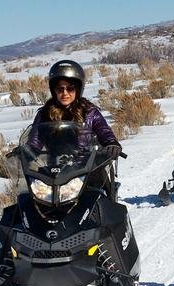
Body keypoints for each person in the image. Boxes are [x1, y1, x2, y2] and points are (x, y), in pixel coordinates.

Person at [25, 59, 122, 195]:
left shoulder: (89, 112)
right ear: (54, 91)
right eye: (60, 89)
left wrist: (111, 143)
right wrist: (26, 153)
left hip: (86, 171)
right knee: (31, 203)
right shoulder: (45, 114)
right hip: (55, 172)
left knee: (101, 200)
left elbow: (103, 131)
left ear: (77, 89)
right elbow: (35, 140)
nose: (65, 93)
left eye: (70, 88)